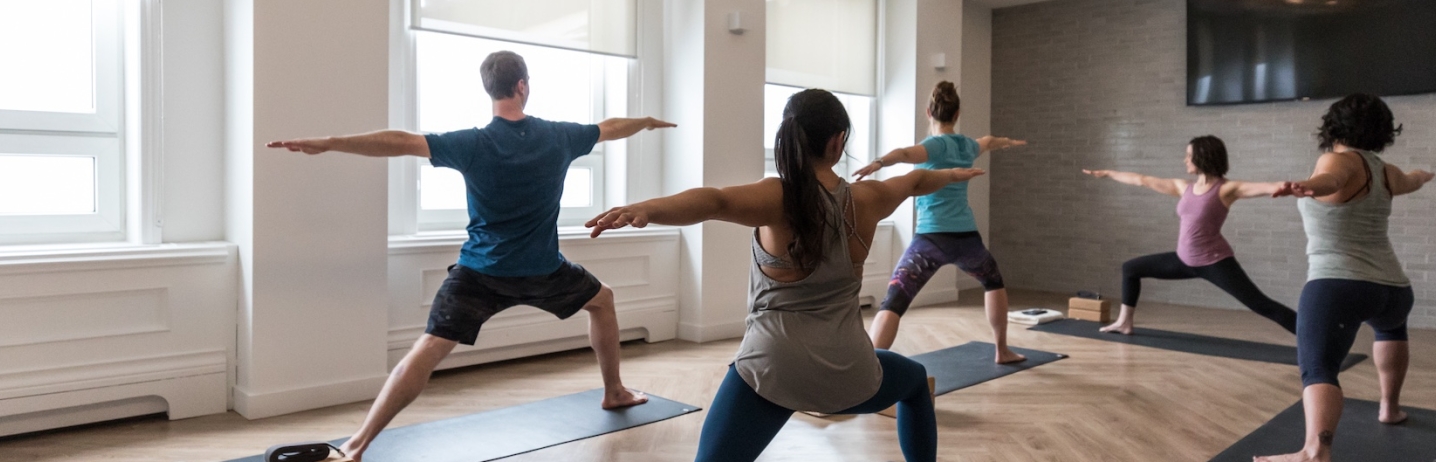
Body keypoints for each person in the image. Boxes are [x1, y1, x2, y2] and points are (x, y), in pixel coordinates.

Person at [265, 51, 675, 461]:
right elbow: (611, 128)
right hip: (543, 271)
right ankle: (614, 392)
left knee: (426, 349)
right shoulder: (558, 136)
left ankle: (356, 445)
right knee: (602, 300)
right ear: (522, 85)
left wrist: (332, 144)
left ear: (489, 89)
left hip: (480, 272)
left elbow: (399, 141)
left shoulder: (472, 143)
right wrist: (646, 123)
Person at [586, 89, 981, 462]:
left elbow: (713, 200)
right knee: (913, 383)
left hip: (773, 370)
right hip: (850, 370)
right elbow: (914, 181)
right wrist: (953, 176)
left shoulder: (778, 197)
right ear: (837, 142)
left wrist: (647, 209)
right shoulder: (868, 199)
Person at [1256, 93, 1434, 462]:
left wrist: (1310, 186)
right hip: (1395, 289)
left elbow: (1330, 179)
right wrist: (1423, 176)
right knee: (1390, 330)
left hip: (1339, 285)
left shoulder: (1337, 159)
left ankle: (1314, 452)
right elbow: (1411, 181)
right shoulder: (1386, 170)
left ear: (1333, 125)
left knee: (1318, 368)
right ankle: (1390, 407)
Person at [850, 81, 1031, 363]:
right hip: (966, 238)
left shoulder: (934, 145)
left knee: (895, 300)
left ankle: (868, 369)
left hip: (931, 239)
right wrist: (1008, 142)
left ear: (928, 112)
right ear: (957, 114)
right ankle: (1002, 350)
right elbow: (989, 140)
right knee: (993, 282)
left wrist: (879, 163)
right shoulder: (968, 146)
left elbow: (905, 154)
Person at [1080, 135, 1299, 335]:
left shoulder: (1226, 189)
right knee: (1130, 268)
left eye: (1188, 155)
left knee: (1261, 304)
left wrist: (1286, 186)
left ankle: (1321, 338)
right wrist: (1108, 173)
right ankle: (1124, 322)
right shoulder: (1183, 187)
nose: (1185, 160)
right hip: (1183, 260)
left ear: (1203, 157)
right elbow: (1142, 179)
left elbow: (1265, 186)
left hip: (1215, 262)